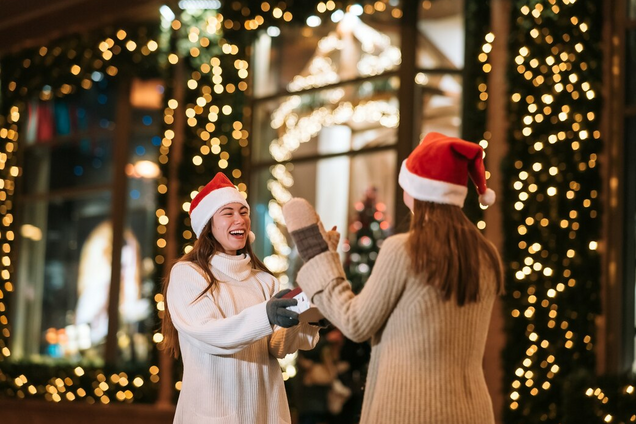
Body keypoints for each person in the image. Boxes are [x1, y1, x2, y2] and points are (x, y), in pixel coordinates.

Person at [282, 132, 504, 424]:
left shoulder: (404, 249)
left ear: (414, 188)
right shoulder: (486, 255)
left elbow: (355, 322)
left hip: (410, 409)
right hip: (471, 411)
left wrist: (318, 257)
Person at [161, 172, 321, 424]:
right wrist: (266, 315)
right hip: (214, 414)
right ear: (208, 225)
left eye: (243, 212)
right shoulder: (188, 274)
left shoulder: (264, 280)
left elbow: (276, 347)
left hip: (265, 412)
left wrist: (303, 318)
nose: (240, 219)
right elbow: (211, 334)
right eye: (228, 212)